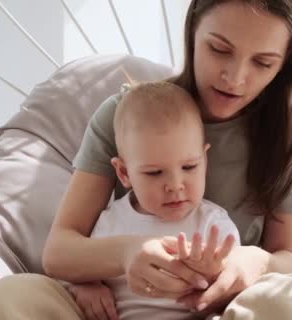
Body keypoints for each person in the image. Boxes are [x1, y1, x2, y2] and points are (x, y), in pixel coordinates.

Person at [0, 0, 292, 319]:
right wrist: (127, 254)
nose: (235, 77)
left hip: (220, 309)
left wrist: (253, 262)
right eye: (219, 49)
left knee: (288, 299)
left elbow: (284, 259)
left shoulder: (289, 137)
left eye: (263, 62)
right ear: (193, 31)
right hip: (113, 309)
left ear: (285, 65)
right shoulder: (124, 115)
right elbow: (60, 252)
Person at [73, 81, 240, 320]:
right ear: (124, 173)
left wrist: (214, 274)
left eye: (189, 167)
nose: (175, 185)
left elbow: (237, 285)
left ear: (205, 160)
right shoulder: (110, 222)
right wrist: (87, 287)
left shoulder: (212, 223)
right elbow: (78, 269)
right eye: (154, 173)